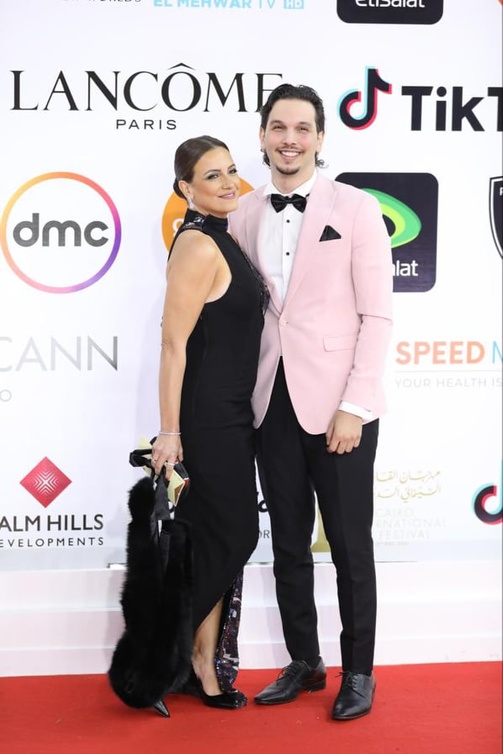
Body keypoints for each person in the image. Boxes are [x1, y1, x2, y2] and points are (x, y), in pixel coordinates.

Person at [228, 84, 393, 720]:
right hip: (271, 402)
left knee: (350, 546)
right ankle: (305, 660)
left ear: (321, 137)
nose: (289, 139)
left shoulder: (356, 207)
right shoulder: (243, 213)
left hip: (340, 409)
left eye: (302, 128)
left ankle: (359, 671)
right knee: (289, 545)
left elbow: (377, 316)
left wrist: (356, 404)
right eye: (279, 127)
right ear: (262, 135)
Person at [151, 135, 268, 710]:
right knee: (236, 533)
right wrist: (170, 432)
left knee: (213, 540)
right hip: (206, 417)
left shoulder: (225, 237)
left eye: (231, 172)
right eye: (212, 176)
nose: (228, 184)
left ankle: (201, 662)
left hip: (234, 413)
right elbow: (173, 346)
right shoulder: (197, 245)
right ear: (186, 188)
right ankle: (160, 655)